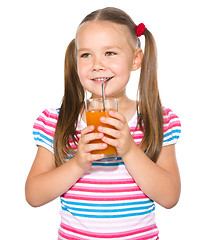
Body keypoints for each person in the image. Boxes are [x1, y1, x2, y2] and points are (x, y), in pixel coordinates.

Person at [25, 7, 181, 239]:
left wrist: (129, 150)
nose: (97, 64)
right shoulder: (57, 121)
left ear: (136, 59)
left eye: (110, 53)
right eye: (86, 55)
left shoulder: (158, 119)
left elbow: (169, 197)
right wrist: (78, 163)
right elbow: (33, 195)